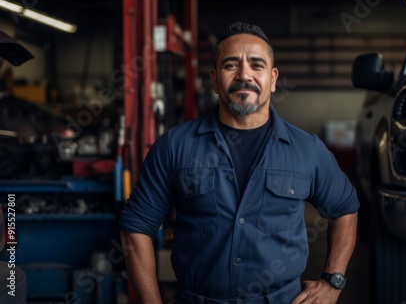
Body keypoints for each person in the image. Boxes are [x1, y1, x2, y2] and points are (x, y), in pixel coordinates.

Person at [119, 21, 359, 304]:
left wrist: (333, 281)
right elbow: (136, 227)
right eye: (231, 65)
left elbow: (345, 210)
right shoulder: (175, 146)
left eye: (256, 65)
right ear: (214, 78)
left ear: (272, 78)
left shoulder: (307, 150)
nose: (244, 75)